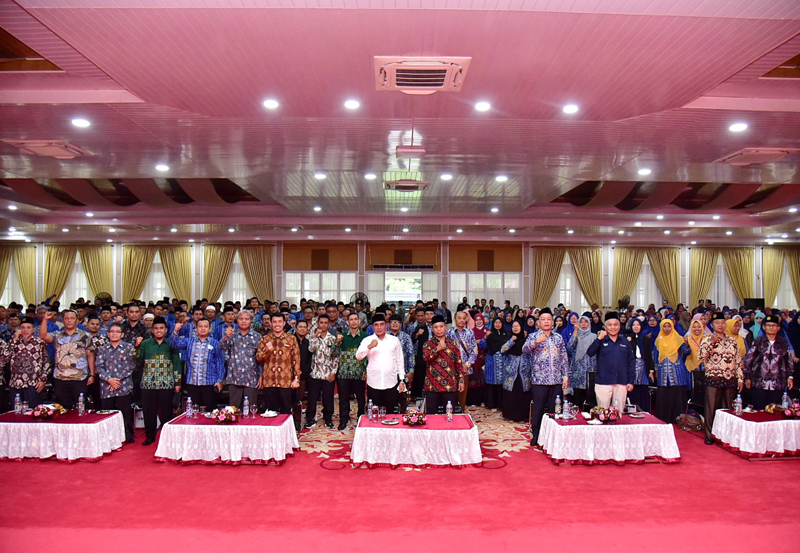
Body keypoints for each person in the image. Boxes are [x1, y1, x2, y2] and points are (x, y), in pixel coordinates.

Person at [523, 308, 569, 446]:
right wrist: (536, 342)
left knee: (554, 409)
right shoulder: (533, 336)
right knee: (538, 408)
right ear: (538, 322)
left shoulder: (558, 337)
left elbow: (564, 358)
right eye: (543, 319)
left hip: (556, 379)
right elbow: (525, 350)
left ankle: (553, 436)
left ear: (553, 322)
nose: (546, 322)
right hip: (539, 379)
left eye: (549, 319)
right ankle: (536, 434)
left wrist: (565, 376)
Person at [134, 316, 181, 445]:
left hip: (167, 383)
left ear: (166, 330)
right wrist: (137, 346)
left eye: (161, 328)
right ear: (152, 330)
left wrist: (178, 382)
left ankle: (167, 437)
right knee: (149, 411)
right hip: (148, 383)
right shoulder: (145, 343)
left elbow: (176, 363)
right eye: (156, 328)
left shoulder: (171, 343)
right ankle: (150, 436)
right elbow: (137, 358)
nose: (159, 331)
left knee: (166, 411)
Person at [699, 312, 744, 445]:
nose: (721, 325)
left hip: (730, 378)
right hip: (714, 378)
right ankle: (709, 435)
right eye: (717, 323)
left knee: (728, 409)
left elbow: (738, 360)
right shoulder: (707, 339)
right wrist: (711, 344)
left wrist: (740, 378)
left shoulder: (732, 340)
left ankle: (726, 436)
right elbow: (701, 357)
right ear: (712, 325)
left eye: (723, 322)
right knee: (711, 408)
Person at [39, 309, 96, 409]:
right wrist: (45, 320)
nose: (69, 320)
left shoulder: (85, 336)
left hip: (80, 378)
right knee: (63, 408)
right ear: (63, 321)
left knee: (81, 408)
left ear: (77, 320)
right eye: (66, 318)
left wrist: (92, 374)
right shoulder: (57, 335)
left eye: (72, 318)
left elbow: (90, 355)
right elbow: (43, 336)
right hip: (60, 378)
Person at [170, 318, 225, 412]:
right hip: (192, 383)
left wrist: (220, 381)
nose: (203, 328)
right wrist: (175, 331)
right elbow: (174, 344)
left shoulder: (215, 343)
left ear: (210, 329)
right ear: (196, 328)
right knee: (193, 412)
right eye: (200, 326)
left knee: (210, 412)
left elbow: (219, 363)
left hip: (209, 383)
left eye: (205, 326)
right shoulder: (189, 342)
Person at [357, 313, 405, 414]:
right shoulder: (367, 340)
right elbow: (359, 356)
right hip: (374, 382)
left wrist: (401, 379)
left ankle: (390, 430)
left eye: (381, 324)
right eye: (376, 325)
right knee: (374, 411)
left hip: (391, 382)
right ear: (372, 327)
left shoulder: (394, 340)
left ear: (386, 325)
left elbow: (399, 360)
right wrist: (369, 347)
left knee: (391, 412)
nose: (379, 327)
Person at [95, 323, 136, 443]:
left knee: (125, 413)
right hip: (107, 386)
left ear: (122, 334)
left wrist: (116, 380)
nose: (114, 333)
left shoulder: (129, 348)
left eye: (117, 331)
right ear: (107, 334)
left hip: (123, 385)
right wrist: (109, 380)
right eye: (112, 331)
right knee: (108, 414)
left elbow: (131, 366)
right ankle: (109, 438)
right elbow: (99, 366)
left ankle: (127, 436)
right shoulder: (102, 349)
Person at [743, 315, 794, 410]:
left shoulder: (783, 343)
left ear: (778, 328)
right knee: (759, 411)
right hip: (759, 382)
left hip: (778, 383)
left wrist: (790, 377)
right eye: (769, 325)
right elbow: (749, 360)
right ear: (764, 327)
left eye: (774, 325)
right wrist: (747, 377)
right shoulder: (758, 342)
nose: (771, 327)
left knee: (776, 411)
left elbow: (789, 361)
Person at [586, 312, 635, 410]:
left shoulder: (625, 342)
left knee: (619, 413)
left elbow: (631, 362)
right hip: (603, 382)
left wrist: (630, 381)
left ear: (620, 326)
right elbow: (590, 352)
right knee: (602, 413)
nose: (613, 327)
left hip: (621, 382)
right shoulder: (601, 340)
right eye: (610, 325)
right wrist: (599, 338)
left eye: (615, 325)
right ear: (605, 327)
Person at [256, 312, 301, 415]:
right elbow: (258, 358)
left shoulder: (291, 339)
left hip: (285, 382)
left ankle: (287, 431)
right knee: (271, 412)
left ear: (284, 323)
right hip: (269, 381)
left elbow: (296, 360)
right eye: (274, 322)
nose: (277, 324)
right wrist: (266, 350)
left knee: (286, 411)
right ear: (271, 323)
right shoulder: (265, 339)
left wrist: (296, 379)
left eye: (280, 322)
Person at [2, 317, 50, 408]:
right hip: (15, 383)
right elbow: (4, 357)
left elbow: (46, 363)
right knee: (16, 413)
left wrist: (43, 380)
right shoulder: (14, 342)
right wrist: (14, 339)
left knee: (33, 412)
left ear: (33, 329)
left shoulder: (39, 343)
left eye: (28, 327)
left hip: (33, 383)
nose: (25, 330)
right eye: (23, 327)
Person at [422, 315, 465, 415]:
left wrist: (461, 380)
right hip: (432, 385)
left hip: (449, 385)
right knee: (432, 414)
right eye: (436, 327)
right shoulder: (428, 344)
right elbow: (425, 358)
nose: (439, 329)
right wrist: (437, 348)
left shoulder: (453, 343)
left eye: (441, 327)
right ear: (432, 329)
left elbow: (458, 363)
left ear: (445, 327)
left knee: (449, 413)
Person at [220, 310, 262, 411]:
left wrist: (261, 376)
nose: (243, 321)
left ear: (251, 321)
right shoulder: (232, 335)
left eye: (246, 319)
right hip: (234, 378)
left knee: (251, 409)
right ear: (236, 320)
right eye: (241, 319)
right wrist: (226, 337)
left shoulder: (257, 337)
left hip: (251, 378)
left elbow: (261, 358)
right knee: (233, 410)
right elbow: (222, 347)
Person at [651, 319, 691, 423]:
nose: (667, 328)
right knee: (664, 394)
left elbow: (687, 352)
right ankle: (663, 418)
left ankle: (678, 418)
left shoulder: (678, 338)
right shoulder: (658, 340)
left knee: (677, 393)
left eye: (669, 326)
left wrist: (687, 344)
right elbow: (655, 356)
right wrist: (655, 370)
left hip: (677, 370)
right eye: (665, 326)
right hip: (663, 371)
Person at [306, 314, 339, 429]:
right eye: (321, 323)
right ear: (318, 324)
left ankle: (328, 419)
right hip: (315, 373)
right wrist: (315, 337)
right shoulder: (313, 337)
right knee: (312, 397)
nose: (323, 325)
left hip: (327, 373)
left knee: (328, 397)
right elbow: (311, 349)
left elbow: (336, 357)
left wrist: (333, 372)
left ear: (329, 325)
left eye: (326, 323)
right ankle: (310, 419)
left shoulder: (333, 339)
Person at [335, 313, 367, 429]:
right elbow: (334, 353)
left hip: (359, 373)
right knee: (343, 398)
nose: (353, 322)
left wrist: (365, 372)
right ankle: (343, 420)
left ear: (359, 321)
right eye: (351, 320)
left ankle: (361, 419)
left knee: (361, 398)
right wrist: (337, 342)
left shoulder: (365, 336)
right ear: (347, 322)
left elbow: (368, 356)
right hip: (343, 373)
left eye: (356, 319)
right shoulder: (342, 336)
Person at [500, 320, 531, 422]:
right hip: (510, 372)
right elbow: (502, 350)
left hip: (524, 371)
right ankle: (510, 415)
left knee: (522, 393)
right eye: (513, 326)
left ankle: (522, 416)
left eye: (517, 326)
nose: (515, 328)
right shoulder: (509, 338)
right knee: (511, 393)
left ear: (521, 327)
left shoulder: (527, 339)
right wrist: (511, 341)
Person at [447, 311, 478, 412]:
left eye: (463, 318)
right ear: (454, 319)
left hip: (465, 368)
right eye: (459, 318)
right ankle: (450, 412)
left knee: (462, 393)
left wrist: (468, 364)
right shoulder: (449, 332)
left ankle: (461, 412)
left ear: (466, 319)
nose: (461, 320)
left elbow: (474, 350)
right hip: (450, 369)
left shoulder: (470, 332)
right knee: (450, 392)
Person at [566, 314, 597, 410]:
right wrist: (575, 332)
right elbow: (570, 347)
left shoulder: (594, 336)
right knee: (577, 393)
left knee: (589, 393)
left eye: (586, 322)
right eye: (581, 322)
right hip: (577, 368)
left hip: (590, 367)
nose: (583, 324)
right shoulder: (576, 335)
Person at [388, 314, 415, 413]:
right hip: (389, 372)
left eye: (397, 322)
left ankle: (402, 414)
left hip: (403, 372)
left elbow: (411, 354)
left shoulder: (406, 337)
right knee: (389, 396)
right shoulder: (385, 337)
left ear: (401, 324)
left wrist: (411, 371)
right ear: (389, 324)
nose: (395, 324)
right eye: (392, 322)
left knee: (402, 396)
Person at [627, 318, 654, 411]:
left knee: (642, 388)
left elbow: (648, 355)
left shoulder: (645, 339)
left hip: (643, 366)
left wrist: (651, 370)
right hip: (632, 366)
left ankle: (643, 410)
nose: (636, 327)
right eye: (634, 325)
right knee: (632, 387)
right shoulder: (628, 338)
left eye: (638, 325)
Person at [481, 317, 506, 410]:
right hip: (492, 361)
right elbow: (482, 346)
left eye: (500, 322)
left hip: (503, 362)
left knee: (502, 384)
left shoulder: (506, 334)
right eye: (496, 322)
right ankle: (492, 404)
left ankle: (501, 404)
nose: (498, 324)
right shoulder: (490, 334)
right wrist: (485, 337)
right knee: (491, 382)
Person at [292, 319, 312, 431]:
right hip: (290, 376)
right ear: (296, 328)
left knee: (299, 399)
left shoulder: (308, 343)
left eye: (304, 327)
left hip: (303, 376)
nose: (302, 329)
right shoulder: (290, 340)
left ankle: (298, 421)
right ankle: (291, 420)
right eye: (300, 327)